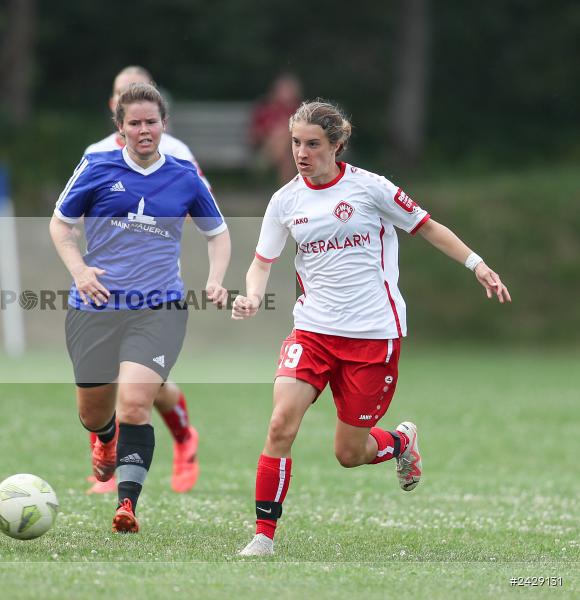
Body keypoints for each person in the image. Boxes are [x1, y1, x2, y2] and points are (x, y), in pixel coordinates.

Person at [232, 100, 511, 556]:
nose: (302, 153)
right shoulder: (285, 200)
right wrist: (252, 294)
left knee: (349, 453)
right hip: (312, 332)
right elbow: (261, 263)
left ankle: (401, 441)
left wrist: (476, 264)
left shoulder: (372, 189)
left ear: (337, 144)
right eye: (296, 143)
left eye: (313, 144)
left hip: (372, 336)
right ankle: (264, 536)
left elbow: (428, 227)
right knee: (281, 423)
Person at [50, 83, 231, 533]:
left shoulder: (185, 175)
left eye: (152, 122)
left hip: (160, 307)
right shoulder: (96, 166)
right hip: (95, 305)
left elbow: (218, 233)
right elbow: (61, 225)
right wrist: (80, 271)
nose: (144, 130)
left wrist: (214, 278)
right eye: (135, 123)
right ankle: (105, 440)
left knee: (134, 402)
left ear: (164, 125)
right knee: (94, 413)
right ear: (120, 127)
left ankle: (126, 505)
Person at [81, 65, 207, 495]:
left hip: (157, 286)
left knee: (143, 388)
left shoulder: (178, 153)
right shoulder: (96, 153)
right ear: (113, 108)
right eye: (121, 100)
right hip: (106, 288)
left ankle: (183, 438)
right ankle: (108, 456)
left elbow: (199, 210)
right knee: (102, 381)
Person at [249, 74, 303, 185]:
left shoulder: (299, 110)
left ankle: (265, 163)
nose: (286, 93)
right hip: (265, 148)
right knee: (286, 155)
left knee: (286, 150)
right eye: (284, 89)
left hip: (293, 148)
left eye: (289, 90)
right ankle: (289, 192)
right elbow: (255, 134)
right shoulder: (266, 109)